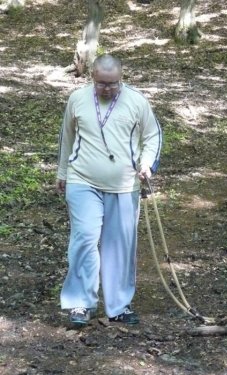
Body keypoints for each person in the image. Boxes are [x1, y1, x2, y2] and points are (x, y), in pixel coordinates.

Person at [55, 54, 162, 326]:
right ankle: (80, 303)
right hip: (82, 180)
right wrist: (63, 172)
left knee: (120, 246)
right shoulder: (77, 99)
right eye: (102, 83)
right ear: (92, 77)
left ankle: (118, 306)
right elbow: (67, 137)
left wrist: (147, 164)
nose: (107, 89)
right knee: (85, 238)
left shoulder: (137, 101)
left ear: (121, 78)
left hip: (124, 185)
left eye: (113, 84)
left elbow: (152, 136)